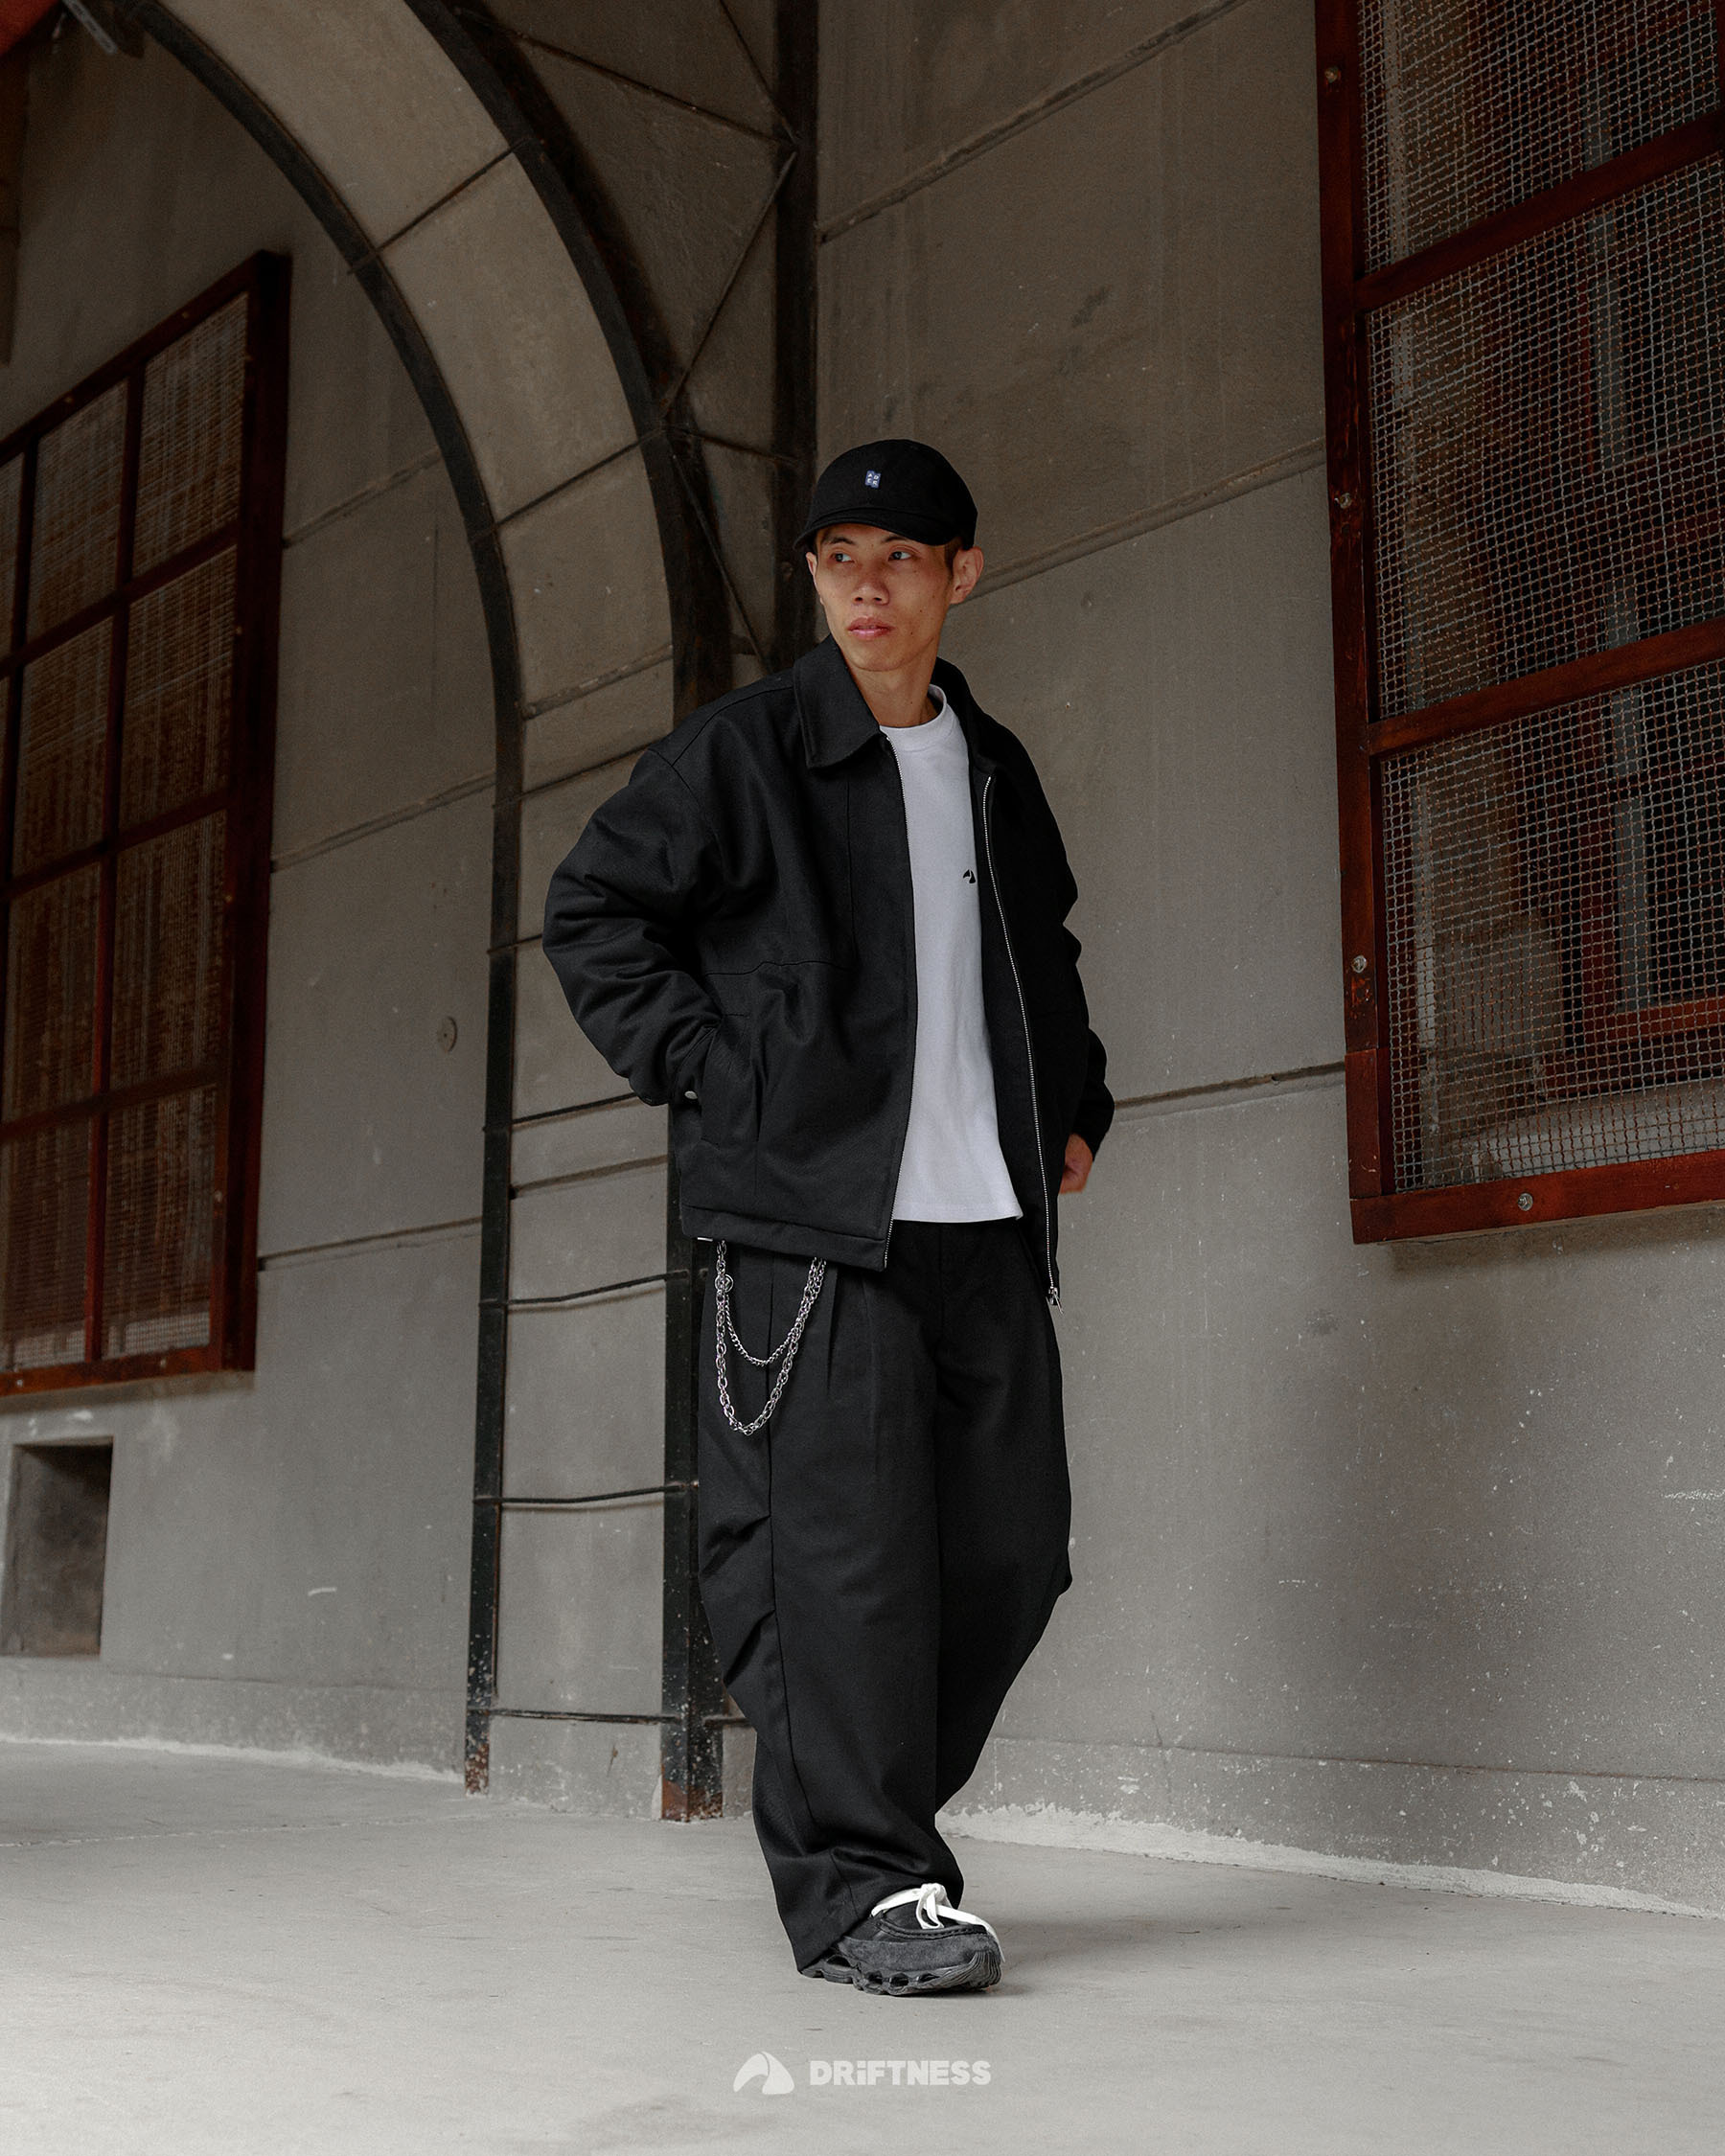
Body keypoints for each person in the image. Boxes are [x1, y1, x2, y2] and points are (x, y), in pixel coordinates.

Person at [541, 438, 1113, 1996]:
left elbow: (1043, 946)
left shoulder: (991, 765)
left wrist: (1074, 1101)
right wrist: (716, 1070)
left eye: (900, 557)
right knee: (835, 1566)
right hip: (813, 1226)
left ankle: (869, 1818)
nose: (867, 587)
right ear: (812, 575)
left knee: (1011, 1554)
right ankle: (867, 1882)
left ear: (960, 574)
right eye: (839, 558)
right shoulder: (751, 752)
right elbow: (594, 907)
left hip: (982, 1219)